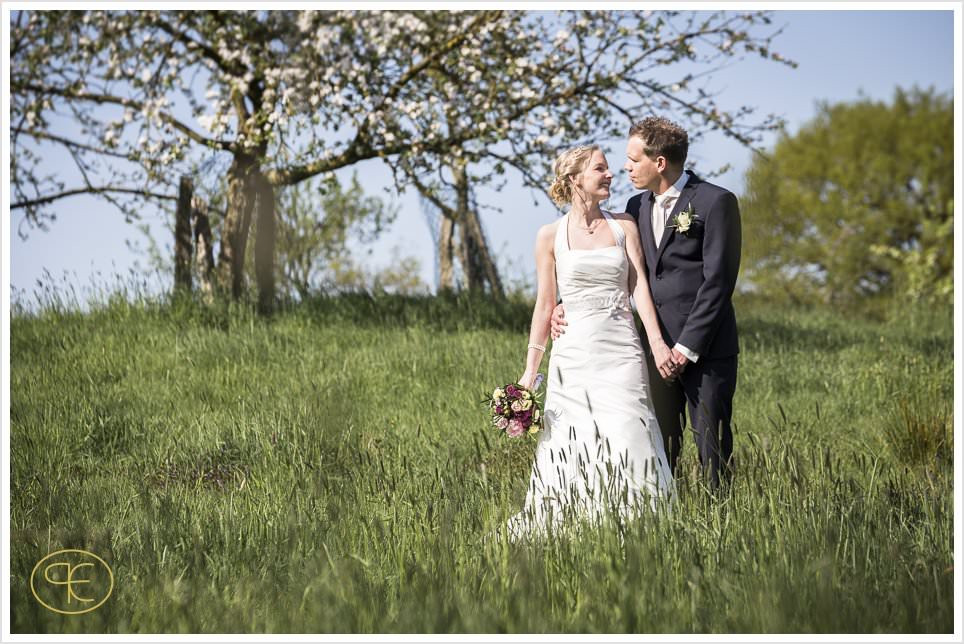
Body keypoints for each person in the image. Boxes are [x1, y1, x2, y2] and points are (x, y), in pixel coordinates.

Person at [551, 117, 742, 491]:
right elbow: (619, 269)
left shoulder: (715, 202)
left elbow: (718, 283)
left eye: (633, 159)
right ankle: (667, 519)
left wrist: (686, 348)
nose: (625, 167)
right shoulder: (635, 206)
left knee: (711, 445)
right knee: (659, 445)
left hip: (705, 348)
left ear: (659, 163)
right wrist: (563, 302)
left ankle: (719, 518)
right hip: (651, 349)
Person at [506, 144, 675, 539]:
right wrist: (530, 373)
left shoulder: (623, 227)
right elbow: (546, 304)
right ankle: (573, 525)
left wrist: (658, 344)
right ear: (574, 179)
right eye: (599, 169)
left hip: (621, 351)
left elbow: (640, 293)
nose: (610, 174)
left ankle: (640, 528)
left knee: (629, 429)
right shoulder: (549, 236)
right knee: (571, 438)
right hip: (573, 355)